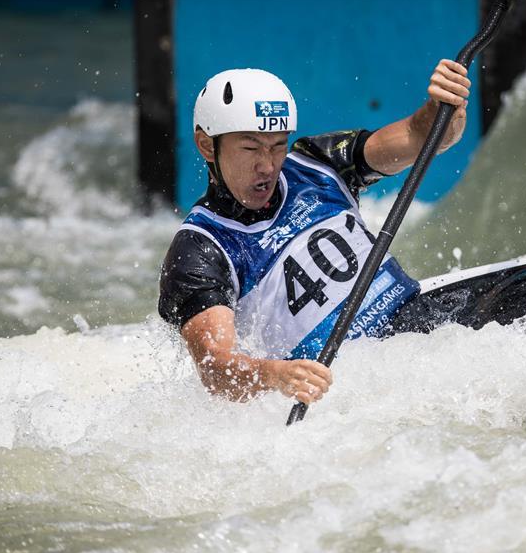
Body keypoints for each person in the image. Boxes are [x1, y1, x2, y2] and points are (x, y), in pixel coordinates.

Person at [159, 60, 471, 405]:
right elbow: (217, 371)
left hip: (427, 330)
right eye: (250, 148)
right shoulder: (199, 248)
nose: (267, 165)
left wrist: (443, 107)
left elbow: (422, 136)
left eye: (278, 145)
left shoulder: (318, 164)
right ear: (206, 145)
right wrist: (275, 374)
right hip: (347, 388)